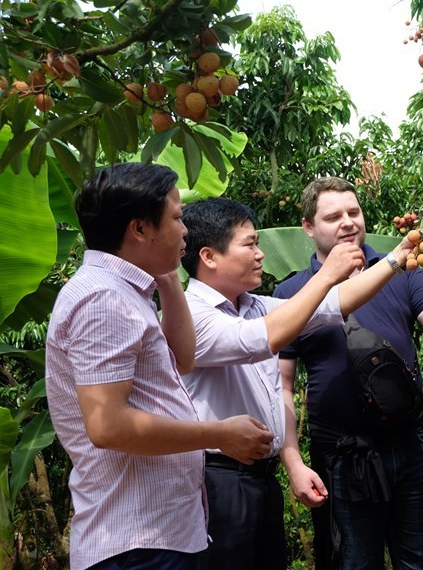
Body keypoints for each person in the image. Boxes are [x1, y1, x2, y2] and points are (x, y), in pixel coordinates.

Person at [45, 163, 274, 570]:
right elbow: (108, 425)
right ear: (139, 229)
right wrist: (217, 433)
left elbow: (183, 359)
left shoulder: (125, 291)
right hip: (135, 542)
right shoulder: (103, 299)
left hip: (158, 532)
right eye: (176, 217)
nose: (185, 229)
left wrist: (167, 278)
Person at [179, 197, 416, 569]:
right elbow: (261, 338)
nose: (260, 254)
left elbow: (334, 304)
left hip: (260, 477)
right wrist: (326, 274)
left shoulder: (256, 305)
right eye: (249, 244)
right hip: (217, 479)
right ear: (209, 256)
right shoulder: (190, 315)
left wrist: (396, 256)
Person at [273, 177, 423, 569]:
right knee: (354, 564)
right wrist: (292, 460)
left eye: (353, 212)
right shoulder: (292, 291)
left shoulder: (403, 271)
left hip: (409, 445)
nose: (347, 222)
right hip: (342, 456)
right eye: (333, 216)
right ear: (308, 227)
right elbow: (281, 386)